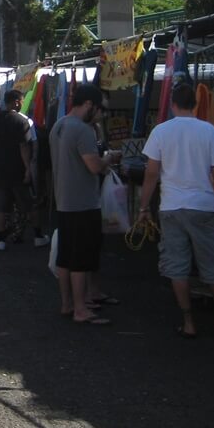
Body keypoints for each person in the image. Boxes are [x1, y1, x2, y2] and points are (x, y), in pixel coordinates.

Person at [135, 82, 214, 338]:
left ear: (172, 105)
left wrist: (142, 207)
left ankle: (189, 321)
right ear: (195, 103)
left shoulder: (161, 131)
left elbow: (151, 173)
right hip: (202, 205)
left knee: (177, 265)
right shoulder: (208, 131)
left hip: (171, 206)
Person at [49, 83, 120, 324]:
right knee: (80, 257)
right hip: (83, 203)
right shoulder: (82, 130)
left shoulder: (59, 125)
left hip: (64, 201)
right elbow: (93, 166)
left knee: (65, 257)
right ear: (89, 104)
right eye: (100, 109)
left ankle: (67, 304)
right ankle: (81, 309)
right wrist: (108, 159)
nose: (101, 114)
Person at [0, 89, 47, 250]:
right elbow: (24, 147)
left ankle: (0, 240)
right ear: (15, 102)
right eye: (21, 101)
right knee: (29, 205)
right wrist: (28, 168)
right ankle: (38, 236)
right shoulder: (21, 121)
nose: (22, 104)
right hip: (18, 171)